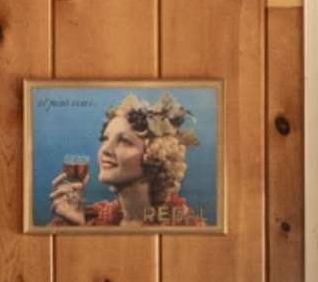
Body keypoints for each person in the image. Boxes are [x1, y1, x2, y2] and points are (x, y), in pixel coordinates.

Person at [45, 92, 208, 227]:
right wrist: (77, 226)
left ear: (155, 156)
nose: (105, 150)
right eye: (105, 139)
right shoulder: (94, 219)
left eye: (124, 141)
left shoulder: (183, 226)